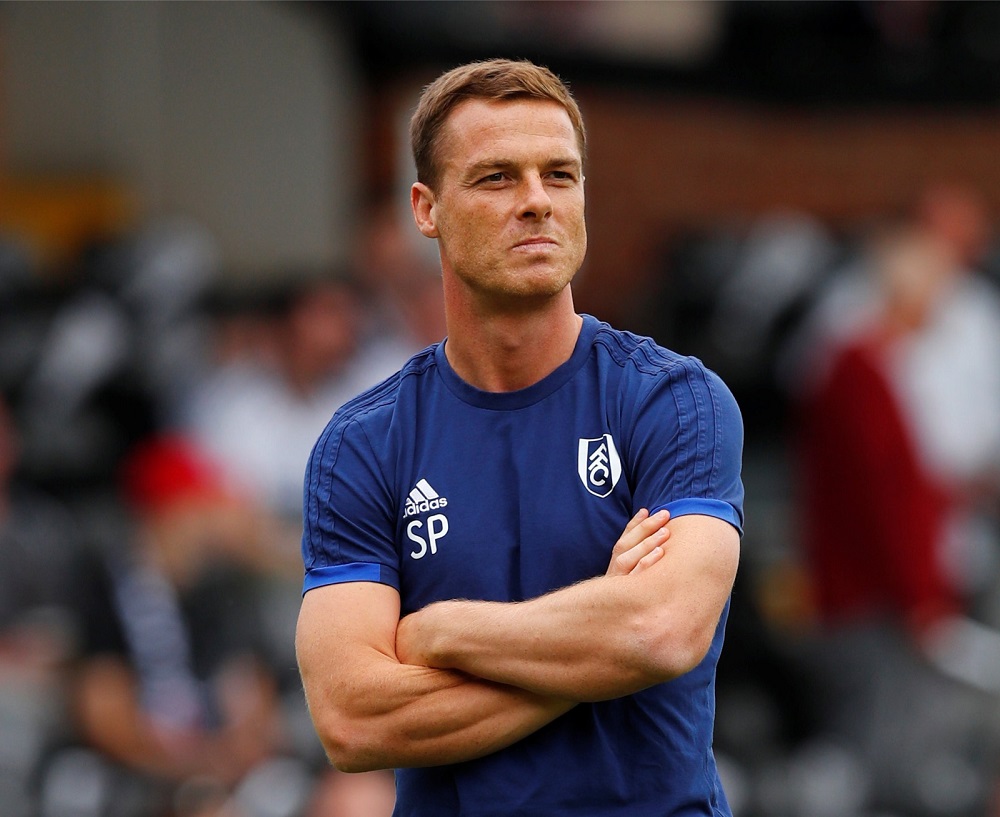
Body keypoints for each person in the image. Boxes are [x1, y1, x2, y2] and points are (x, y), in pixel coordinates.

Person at [295, 58, 744, 817]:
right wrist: (598, 635)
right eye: (497, 177)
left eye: (560, 175)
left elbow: (661, 631)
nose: (537, 201)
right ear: (425, 209)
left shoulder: (674, 400)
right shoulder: (362, 445)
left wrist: (440, 629)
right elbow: (352, 718)